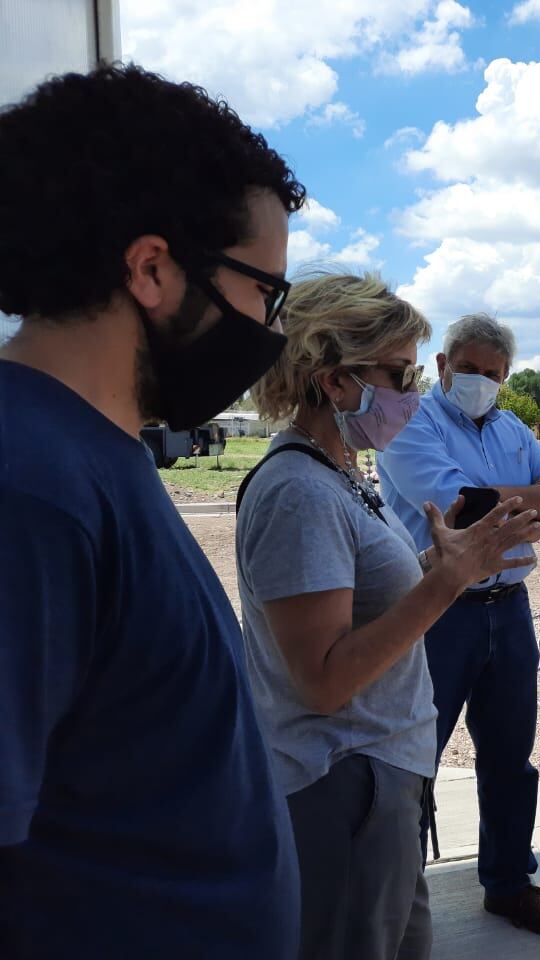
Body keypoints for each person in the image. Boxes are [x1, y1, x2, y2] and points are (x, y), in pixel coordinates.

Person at [0, 66, 305, 957]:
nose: (271, 329)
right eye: (264, 292)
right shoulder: (28, 488)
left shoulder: (93, 455)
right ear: (152, 268)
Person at [236, 274, 540, 959]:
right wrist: (449, 582)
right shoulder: (299, 493)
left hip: (377, 782)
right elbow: (321, 681)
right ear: (336, 381)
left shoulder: (340, 473)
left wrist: (436, 570)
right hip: (345, 786)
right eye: (401, 374)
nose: (413, 393)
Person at [378, 313, 540, 937]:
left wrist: (513, 499)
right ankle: (396, 900)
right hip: (439, 611)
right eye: (467, 369)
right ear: (441, 366)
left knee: (509, 756)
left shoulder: (513, 427)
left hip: (509, 612)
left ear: (506, 378)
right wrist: (530, 499)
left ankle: (508, 884)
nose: (479, 382)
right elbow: (464, 505)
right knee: (414, 761)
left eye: (492, 374)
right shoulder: (409, 423)